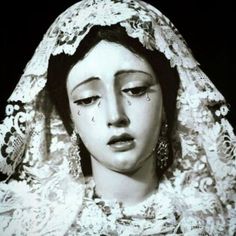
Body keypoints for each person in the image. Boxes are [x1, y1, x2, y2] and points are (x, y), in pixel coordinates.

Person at [0, 0, 235, 235]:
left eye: (135, 89)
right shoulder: (23, 225)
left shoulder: (218, 222)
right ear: (71, 120)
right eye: (88, 99)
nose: (115, 116)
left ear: (166, 103)